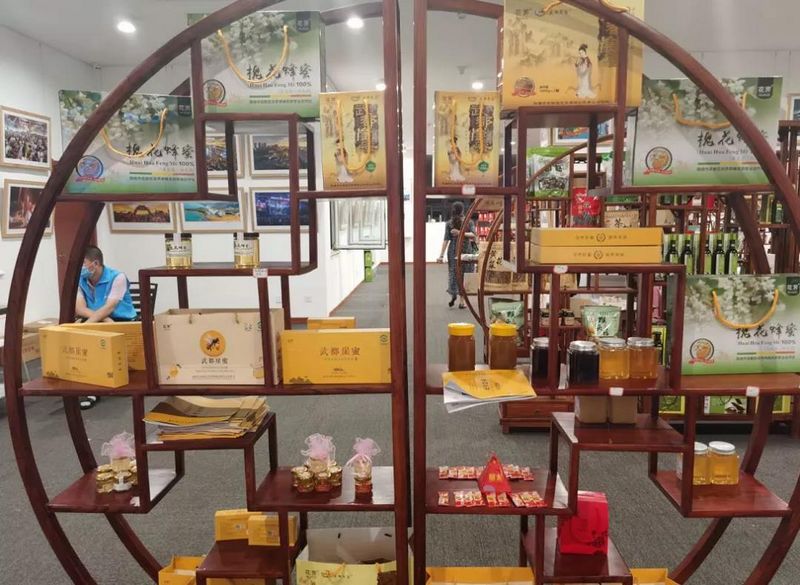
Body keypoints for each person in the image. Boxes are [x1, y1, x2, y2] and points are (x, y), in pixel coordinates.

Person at [75, 246, 136, 409]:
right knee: (81, 337)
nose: (80, 268)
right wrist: (101, 320)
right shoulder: (79, 280)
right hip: (99, 319)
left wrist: (90, 324)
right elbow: (79, 308)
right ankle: (91, 388)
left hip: (121, 320)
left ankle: (104, 382)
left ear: (95, 264)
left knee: (89, 334)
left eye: (83, 263)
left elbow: (110, 306)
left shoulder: (117, 277)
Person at [437, 201, 477, 309]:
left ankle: (453, 294)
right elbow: (473, 235)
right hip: (466, 250)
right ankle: (462, 301)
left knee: (454, 273)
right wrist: (462, 233)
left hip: (453, 251)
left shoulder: (449, 223)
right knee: (465, 275)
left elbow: (446, 240)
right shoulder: (468, 222)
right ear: (463, 210)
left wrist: (441, 255)